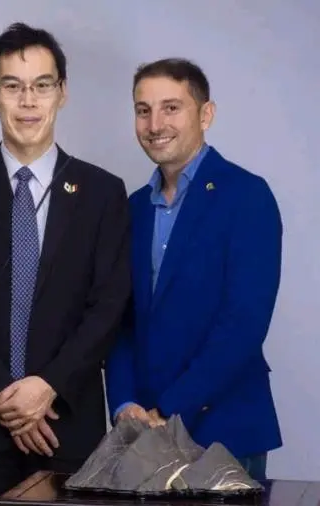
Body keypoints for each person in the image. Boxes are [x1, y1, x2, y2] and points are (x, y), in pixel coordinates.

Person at [0, 22, 132, 499]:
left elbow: (108, 305)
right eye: (12, 86)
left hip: (68, 421)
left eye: (42, 86)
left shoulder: (102, 192)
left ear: (61, 93)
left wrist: (46, 388)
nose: (28, 101)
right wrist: (6, 396)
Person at [104, 58, 282, 481]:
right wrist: (125, 403)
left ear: (206, 114)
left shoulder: (247, 196)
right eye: (142, 110)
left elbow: (243, 324)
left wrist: (168, 409)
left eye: (171, 107)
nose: (154, 123)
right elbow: (120, 319)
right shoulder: (132, 209)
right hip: (143, 435)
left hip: (223, 431)